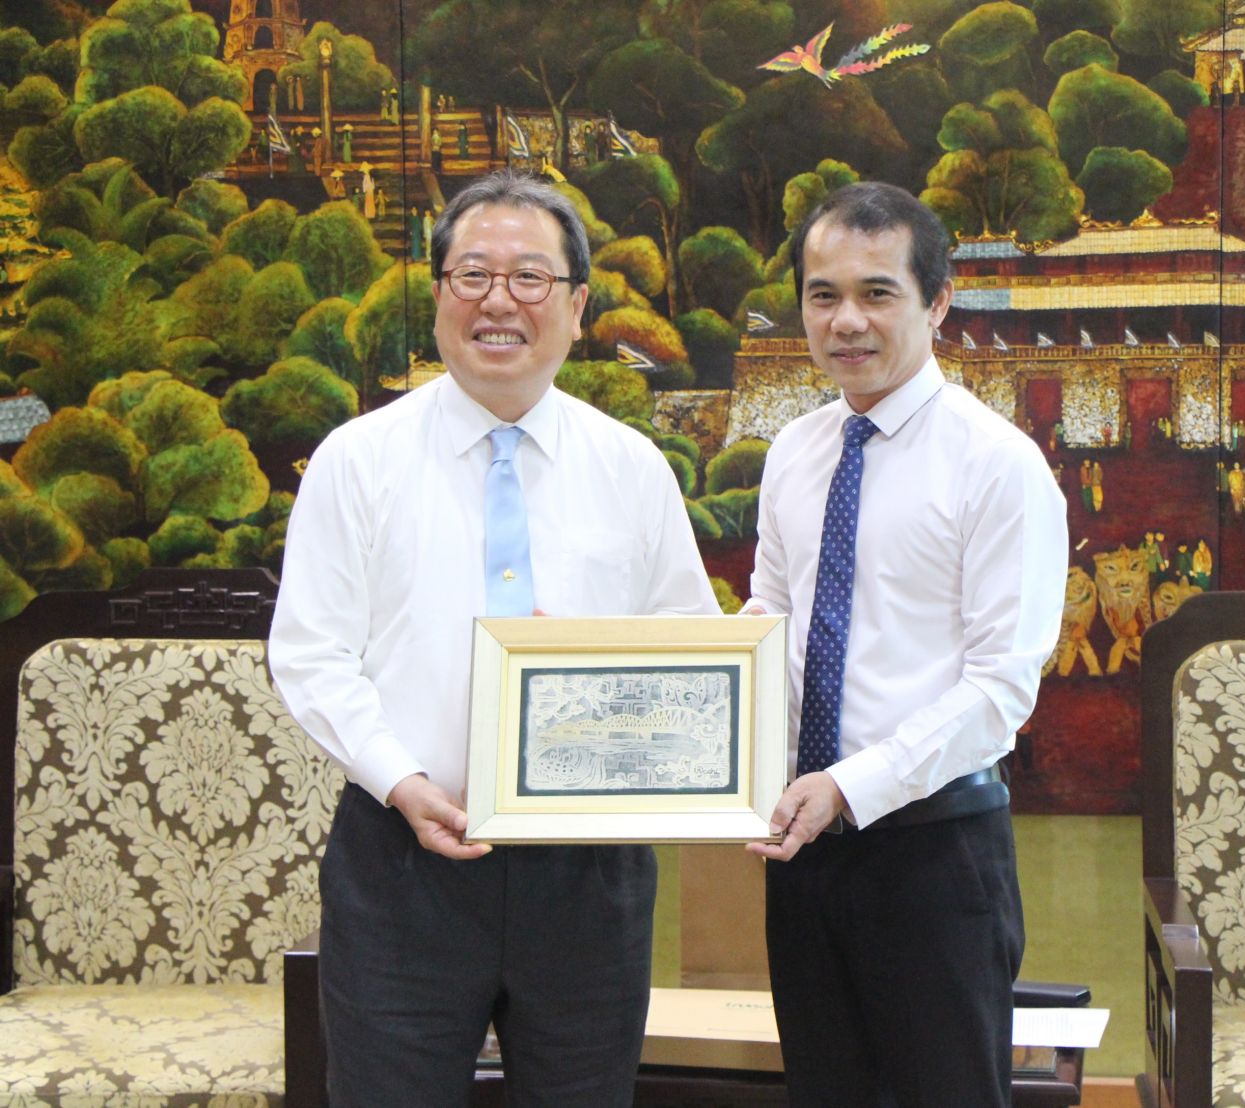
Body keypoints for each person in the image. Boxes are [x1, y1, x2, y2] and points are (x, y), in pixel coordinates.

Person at [269, 169, 718, 1108]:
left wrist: (601, 681)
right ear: (438, 295)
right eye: (472, 274)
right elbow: (311, 653)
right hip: (403, 862)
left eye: (530, 278)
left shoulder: (632, 468)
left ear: (577, 306)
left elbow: (687, 651)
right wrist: (402, 780)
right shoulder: (357, 461)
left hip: (589, 871)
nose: (499, 301)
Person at [742, 181, 1069, 1106]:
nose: (845, 321)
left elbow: (1002, 689)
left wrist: (853, 785)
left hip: (935, 855)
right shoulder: (794, 452)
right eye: (822, 295)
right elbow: (771, 614)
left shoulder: (997, 464)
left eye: (876, 293)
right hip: (802, 853)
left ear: (937, 302)